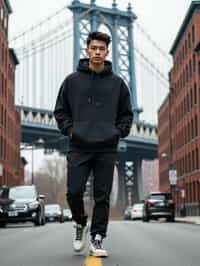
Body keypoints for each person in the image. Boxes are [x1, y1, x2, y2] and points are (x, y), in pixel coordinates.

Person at [54, 31, 133, 257]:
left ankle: (97, 239)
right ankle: (80, 223)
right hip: (79, 146)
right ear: (87, 50)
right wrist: (70, 131)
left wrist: (118, 132)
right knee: (74, 192)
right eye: (94, 48)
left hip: (106, 147)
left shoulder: (118, 84)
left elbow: (126, 115)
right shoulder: (71, 81)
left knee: (102, 196)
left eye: (102, 49)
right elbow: (60, 111)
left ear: (107, 52)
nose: (98, 52)